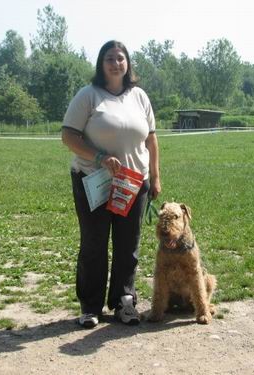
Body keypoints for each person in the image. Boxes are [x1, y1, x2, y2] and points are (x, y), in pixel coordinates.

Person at [62, 40, 161, 328]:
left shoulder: (140, 97)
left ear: (128, 63)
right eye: (110, 58)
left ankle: (123, 302)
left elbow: (151, 140)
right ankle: (90, 307)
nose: (116, 63)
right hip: (93, 179)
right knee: (94, 243)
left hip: (133, 183)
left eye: (121, 58)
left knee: (128, 245)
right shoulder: (88, 96)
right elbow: (69, 136)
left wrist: (155, 176)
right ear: (101, 63)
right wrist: (100, 157)